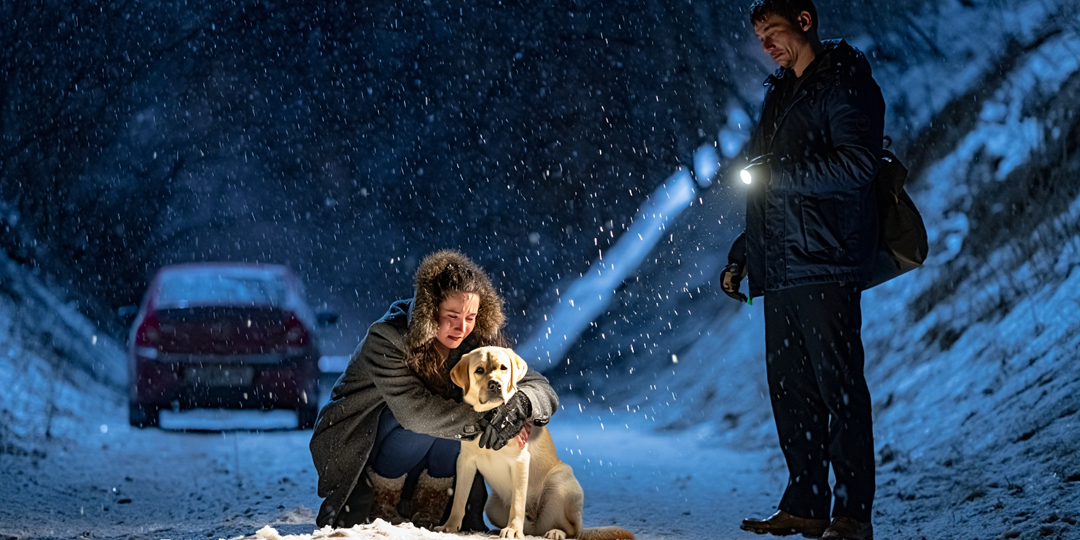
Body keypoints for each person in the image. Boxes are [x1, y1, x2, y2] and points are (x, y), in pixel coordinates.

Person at [720, 1, 884, 539]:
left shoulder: (843, 80)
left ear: (805, 22)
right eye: (760, 36)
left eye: (774, 32)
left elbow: (859, 164)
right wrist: (745, 252)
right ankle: (807, 505)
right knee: (791, 390)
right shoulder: (780, 92)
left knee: (839, 391)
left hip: (827, 259)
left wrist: (781, 176)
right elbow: (768, 184)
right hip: (783, 266)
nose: (766, 45)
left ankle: (852, 516)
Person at [309, 249, 559, 530]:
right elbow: (414, 413)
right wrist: (491, 420)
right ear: (430, 311)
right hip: (365, 440)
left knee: (457, 423)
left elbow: (539, 386)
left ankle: (436, 503)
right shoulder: (386, 339)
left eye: (470, 316)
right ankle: (381, 501)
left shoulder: (476, 339)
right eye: (451, 315)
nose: (462, 327)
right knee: (443, 419)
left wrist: (519, 407)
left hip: (433, 449)